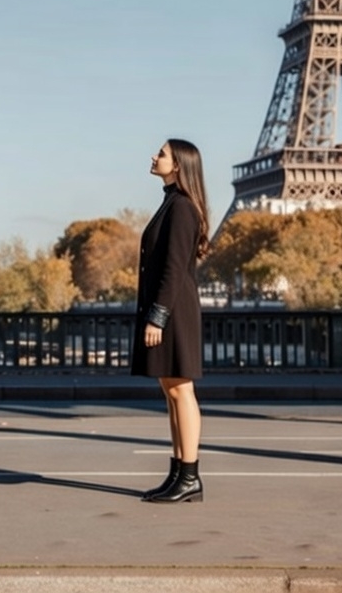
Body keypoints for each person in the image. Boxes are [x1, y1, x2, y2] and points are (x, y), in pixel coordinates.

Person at [131, 137, 210, 504]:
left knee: (181, 391)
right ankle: (179, 473)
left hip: (174, 311)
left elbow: (174, 268)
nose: (153, 156)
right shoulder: (173, 203)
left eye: (161, 153)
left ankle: (189, 475)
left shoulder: (181, 208)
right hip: (170, 309)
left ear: (178, 164)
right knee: (172, 392)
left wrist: (157, 317)